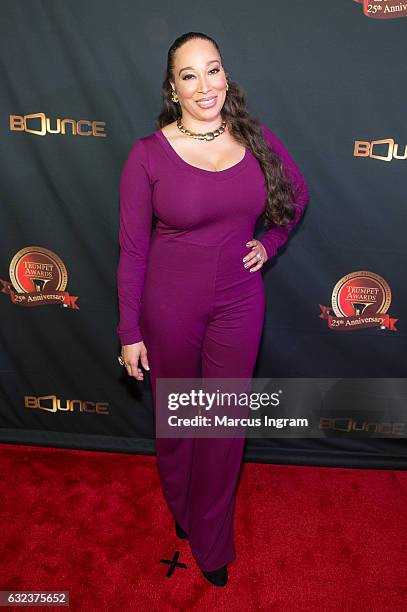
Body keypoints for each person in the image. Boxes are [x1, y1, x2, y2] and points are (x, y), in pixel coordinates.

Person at [116, 31, 309, 587]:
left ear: (227, 75)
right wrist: (129, 329)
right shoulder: (146, 154)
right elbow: (131, 248)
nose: (206, 85)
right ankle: (181, 507)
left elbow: (295, 196)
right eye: (190, 75)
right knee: (180, 419)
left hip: (240, 302)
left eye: (214, 70)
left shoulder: (255, 136)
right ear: (173, 89)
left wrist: (269, 244)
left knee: (222, 422)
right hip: (168, 306)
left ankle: (212, 537)